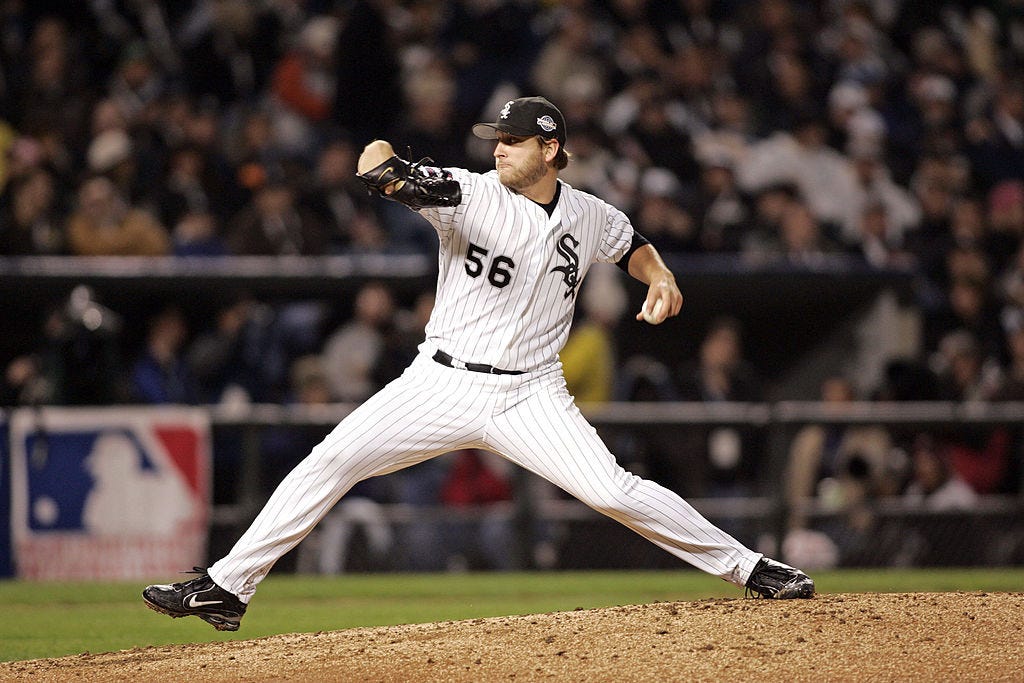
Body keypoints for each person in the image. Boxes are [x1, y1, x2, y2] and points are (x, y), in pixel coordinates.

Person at [143, 96, 814, 632]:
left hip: (532, 394)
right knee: (331, 459)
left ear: (550, 149)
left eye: (513, 140)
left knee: (612, 491)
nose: (498, 147)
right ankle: (227, 588)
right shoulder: (468, 192)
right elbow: (378, 165)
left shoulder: (588, 214)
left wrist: (659, 273)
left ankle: (751, 568)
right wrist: (387, 165)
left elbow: (631, 243)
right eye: (497, 137)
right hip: (440, 381)